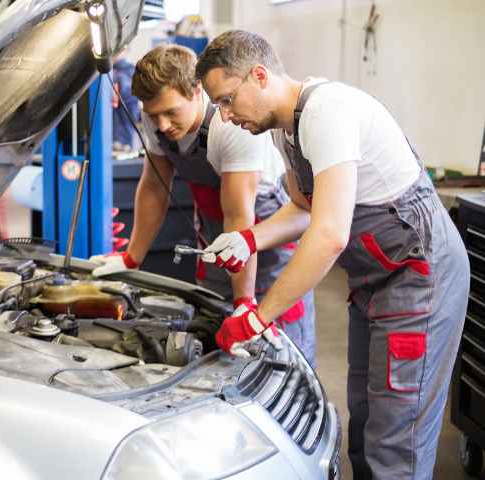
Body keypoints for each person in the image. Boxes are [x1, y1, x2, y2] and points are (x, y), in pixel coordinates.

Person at [195, 30, 468, 479]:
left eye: (227, 100)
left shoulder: (328, 112)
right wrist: (250, 239)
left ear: (259, 76)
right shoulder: (287, 128)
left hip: (420, 278)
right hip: (376, 281)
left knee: (395, 438)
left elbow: (328, 235)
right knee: (363, 418)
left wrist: (259, 315)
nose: (224, 117)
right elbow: (305, 208)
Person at [89, 44, 316, 364]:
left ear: (197, 91)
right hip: (214, 236)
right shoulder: (155, 116)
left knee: (279, 352)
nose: (163, 125)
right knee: (214, 335)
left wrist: (245, 301)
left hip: (262, 240)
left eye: (171, 112)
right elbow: (155, 187)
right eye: (154, 115)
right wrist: (131, 257)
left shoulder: (231, 128)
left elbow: (239, 216)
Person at [111, 54, 140, 152]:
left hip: (122, 137)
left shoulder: (126, 72)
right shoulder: (113, 71)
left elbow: (127, 93)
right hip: (115, 134)